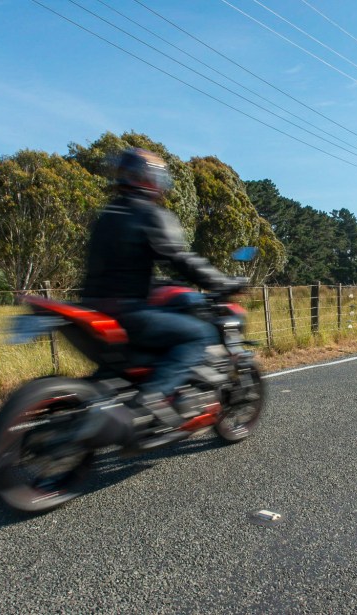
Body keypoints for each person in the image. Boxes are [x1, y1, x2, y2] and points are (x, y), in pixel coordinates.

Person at [78, 147, 241, 447]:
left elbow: (125, 264)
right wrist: (223, 282)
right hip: (128, 313)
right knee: (199, 334)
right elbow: (182, 258)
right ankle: (152, 400)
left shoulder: (107, 215)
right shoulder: (149, 213)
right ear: (150, 178)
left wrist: (158, 283)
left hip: (92, 309)